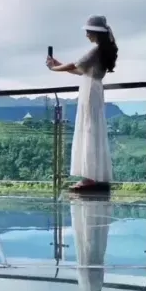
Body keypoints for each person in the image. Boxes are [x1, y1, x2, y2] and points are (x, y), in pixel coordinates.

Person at [46, 14, 117, 192]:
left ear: (95, 32)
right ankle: (94, 175)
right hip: (94, 88)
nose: (86, 35)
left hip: (90, 91)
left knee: (88, 130)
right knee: (93, 130)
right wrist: (58, 65)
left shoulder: (96, 51)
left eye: (88, 31)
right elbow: (81, 70)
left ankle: (89, 177)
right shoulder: (101, 51)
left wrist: (54, 68)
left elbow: (74, 65)